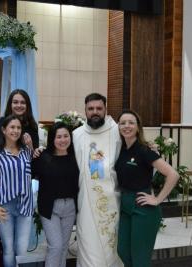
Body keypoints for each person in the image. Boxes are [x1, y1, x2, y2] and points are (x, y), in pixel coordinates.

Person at [0, 89, 39, 267]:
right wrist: (1, 162)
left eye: (22, 102)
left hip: (22, 196)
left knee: (19, 246)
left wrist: (33, 147)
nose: (19, 105)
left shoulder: (31, 129)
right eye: (15, 102)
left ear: (27, 105)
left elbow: (32, 157)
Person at [115, 110, 179, 267]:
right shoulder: (120, 150)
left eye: (131, 122)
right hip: (125, 206)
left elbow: (173, 174)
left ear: (138, 127)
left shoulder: (145, 150)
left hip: (143, 208)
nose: (126, 126)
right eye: (123, 123)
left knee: (140, 258)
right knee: (122, 251)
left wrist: (157, 199)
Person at [72, 93, 123, 267]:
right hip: (85, 202)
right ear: (85, 111)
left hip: (112, 202)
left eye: (99, 108)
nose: (95, 112)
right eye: (91, 109)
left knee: (111, 248)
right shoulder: (76, 135)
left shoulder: (117, 131)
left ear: (105, 109)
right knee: (87, 244)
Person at [32, 122, 79, 267]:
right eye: (59, 137)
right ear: (52, 138)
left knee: (64, 247)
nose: (63, 140)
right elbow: (30, 175)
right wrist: (32, 152)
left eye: (66, 136)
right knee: (56, 246)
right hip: (50, 209)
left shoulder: (76, 156)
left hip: (70, 207)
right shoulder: (43, 157)